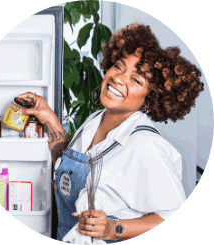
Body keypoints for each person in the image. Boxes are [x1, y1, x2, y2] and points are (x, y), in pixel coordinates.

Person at [17, 23, 204, 243]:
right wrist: (48, 117)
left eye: (135, 80)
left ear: (151, 98)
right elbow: (69, 171)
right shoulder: (96, 120)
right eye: (118, 66)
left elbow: (175, 218)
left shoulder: (145, 144)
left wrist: (112, 228)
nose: (118, 78)